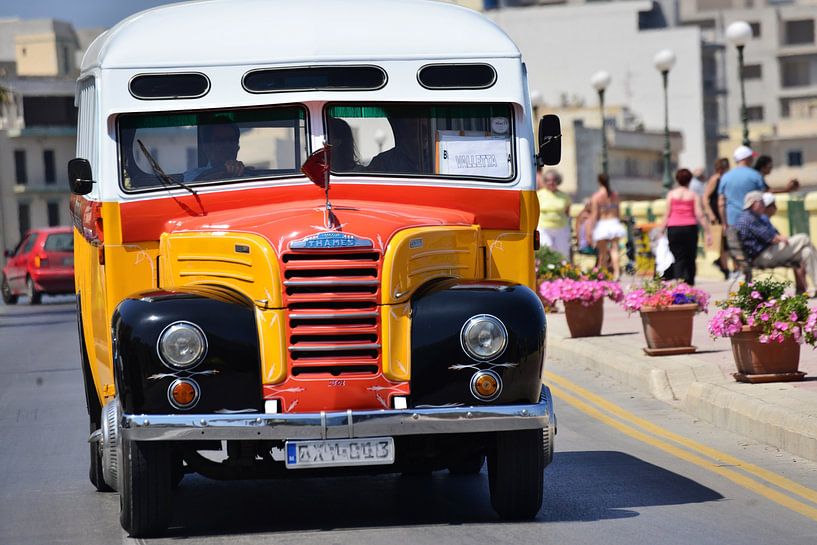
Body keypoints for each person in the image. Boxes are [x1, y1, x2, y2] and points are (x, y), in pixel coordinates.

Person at [735, 190, 817, 296]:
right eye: (762, 203)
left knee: (806, 252)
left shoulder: (751, 217)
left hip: (766, 253)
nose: (764, 206)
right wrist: (779, 238)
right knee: (804, 238)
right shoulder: (748, 218)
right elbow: (771, 238)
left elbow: (772, 236)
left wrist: (778, 238)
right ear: (754, 203)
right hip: (763, 255)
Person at [660, 168, 712, 285]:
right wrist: (708, 232)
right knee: (691, 257)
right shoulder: (693, 195)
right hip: (690, 228)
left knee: (678, 258)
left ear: (677, 180)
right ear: (690, 180)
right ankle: (690, 284)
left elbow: (667, 213)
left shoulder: (671, 194)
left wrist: (661, 229)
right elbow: (700, 214)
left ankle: (679, 283)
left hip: (674, 228)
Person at [588, 173, 626, 279]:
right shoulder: (614, 195)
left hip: (603, 224)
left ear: (599, 182)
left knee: (603, 253)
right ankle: (617, 273)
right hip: (613, 223)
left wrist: (591, 229)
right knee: (614, 250)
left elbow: (595, 214)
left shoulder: (596, 196)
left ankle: (603, 274)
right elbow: (618, 212)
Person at [718, 145, 765, 230]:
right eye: (751, 157)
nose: (753, 159)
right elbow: (762, 199)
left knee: (734, 243)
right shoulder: (756, 176)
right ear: (747, 158)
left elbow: (721, 203)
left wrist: (724, 223)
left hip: (732, 221)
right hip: (753, 221)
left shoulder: (725, 177)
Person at [703, 157, 731, 279]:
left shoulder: (725, 179)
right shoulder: (715, 179)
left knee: (727, 244)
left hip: (725, 214)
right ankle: (725, 269)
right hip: (717, 215)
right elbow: (705, 198)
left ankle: (724, 265)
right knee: (723, 244)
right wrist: (711, 214)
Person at [536, 167, 572, 259]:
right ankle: (547, 271)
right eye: (548, 180)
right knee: (547, 249)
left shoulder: (564, 196)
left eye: (554, 180)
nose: (551, 183)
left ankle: (563, 271)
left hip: (561, 228)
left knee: (563, 252)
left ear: (558, 181)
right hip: (544, 227)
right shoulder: (539, 194)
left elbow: (567, 212)